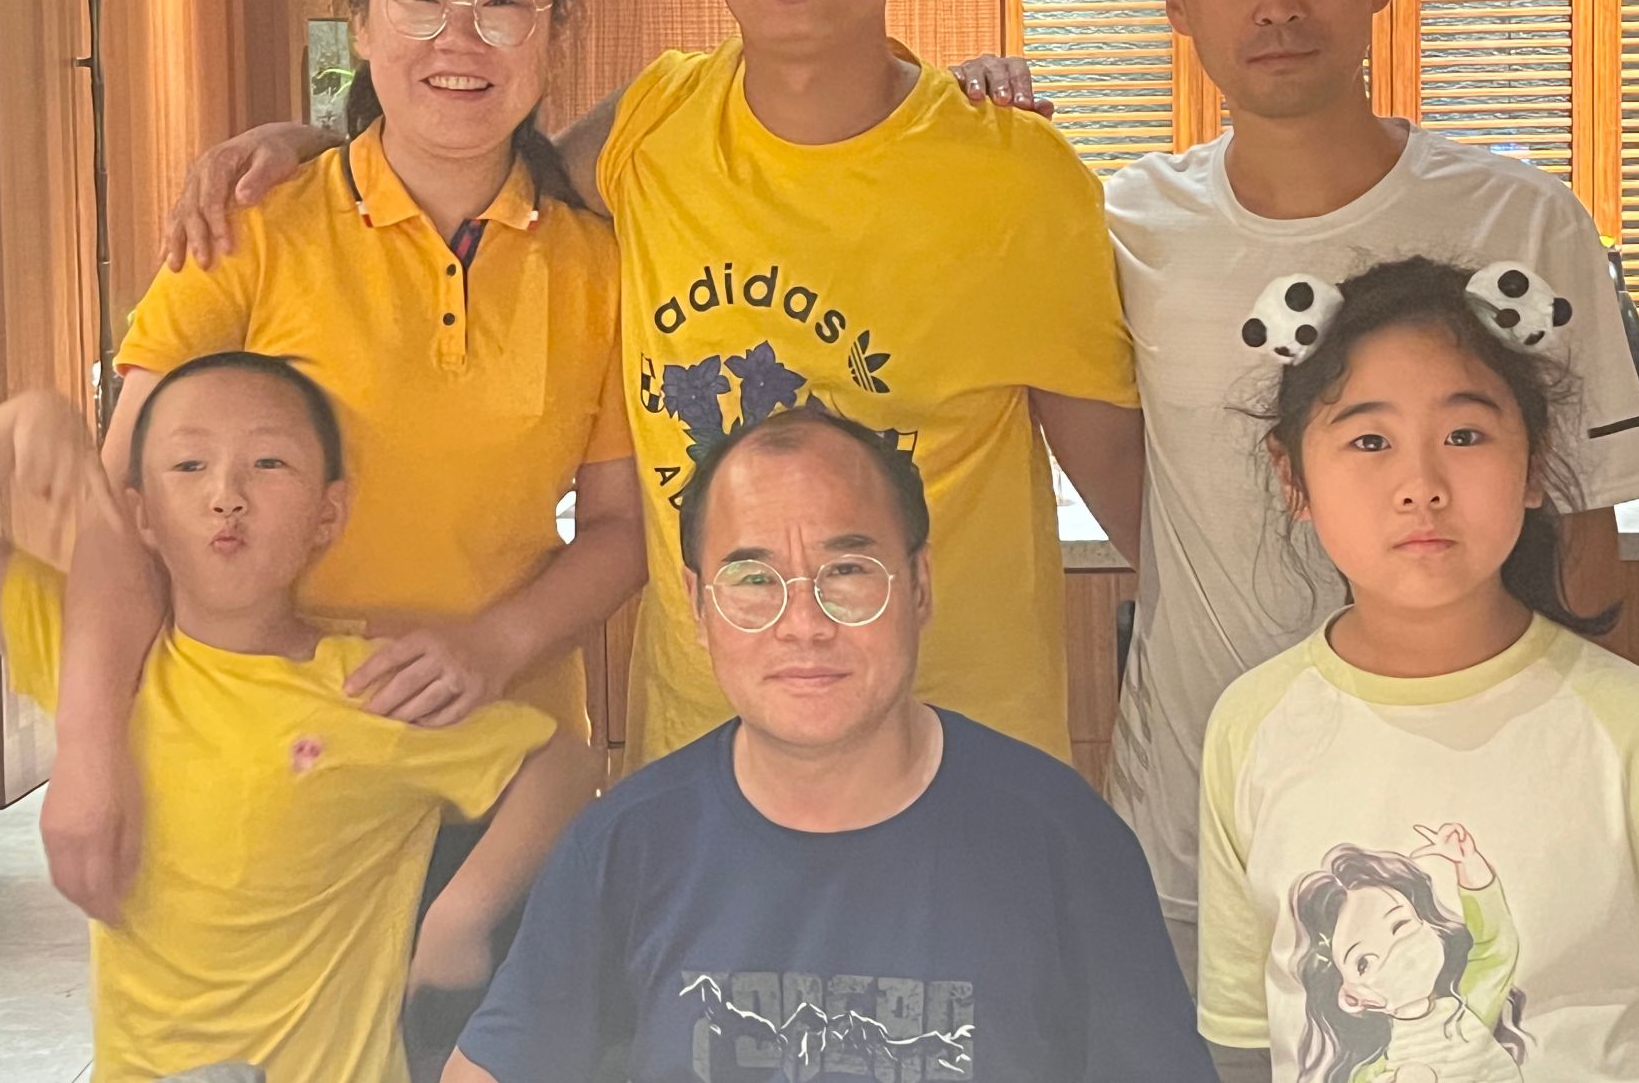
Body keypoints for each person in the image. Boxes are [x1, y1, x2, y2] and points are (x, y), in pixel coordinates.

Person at [159, 0, 1145, 773]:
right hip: (704, 765)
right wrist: (310, 146)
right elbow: (473, 156)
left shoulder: (1016, 177)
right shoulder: (653, 125)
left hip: (953, 764)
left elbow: (1120, 477)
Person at [967, 0, 1639, 1033]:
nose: (1278, 0)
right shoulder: (1120, 229)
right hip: (1198, 826)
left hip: (1458, 835)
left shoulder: (1517, 222)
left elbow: (1584, 549)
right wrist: (958, 116)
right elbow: (1132, 488)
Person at [45, 0, 644, 1067]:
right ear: (360, 21)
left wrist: (492, 647)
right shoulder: (251, 228)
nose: (457, 39)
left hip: (496, 780)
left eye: (502, 2)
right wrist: (88, 755)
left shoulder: (596, 262)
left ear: (554, 29)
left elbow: (622, 528)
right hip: (266, 782)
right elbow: (118, 508)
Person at [0, 356, 596, 1083]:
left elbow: (562, 766)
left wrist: (463, 914)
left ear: (328, 513)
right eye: (189, 466)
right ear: (142, 516)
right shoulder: (98, 663)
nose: (226, 496)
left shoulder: (368, 688)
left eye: (268, 463)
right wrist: (24, 420)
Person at [439, 405, 1213, 1083]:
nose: (803, 624)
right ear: (697, 607)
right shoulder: (627, 844)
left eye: (846, 570)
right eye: (753, 580)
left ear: (919, 586)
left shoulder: (1060, 838)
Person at [1194, 257, 1639, 1082]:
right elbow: (1254, 1032)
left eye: (1465, 436)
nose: (1420, 486)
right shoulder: (1251, 727)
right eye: (1370, 441)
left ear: (1534, 462)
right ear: (1291, 476)